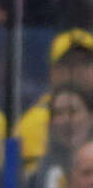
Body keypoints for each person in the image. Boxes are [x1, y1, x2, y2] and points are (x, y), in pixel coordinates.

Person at [15, 32, 93, 176]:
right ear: (53, 72)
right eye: (69, 64)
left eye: (87, 63)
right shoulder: (34, 122)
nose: (79, 70)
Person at [27, 86, 93, 188]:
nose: (66, 120)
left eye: (73, 111)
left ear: (90, 117)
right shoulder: (38, 177)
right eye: (59, 113)